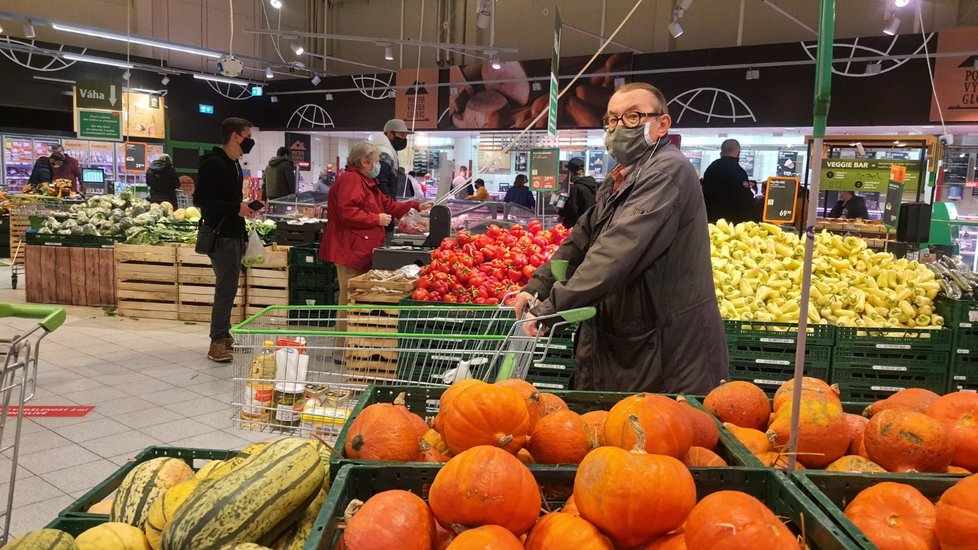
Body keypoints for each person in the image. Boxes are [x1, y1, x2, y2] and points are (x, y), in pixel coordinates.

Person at [514, 82, 727, 394]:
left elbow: (616, 251)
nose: (617, 128)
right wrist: (537, 287)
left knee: (653, 435)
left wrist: (550, 308)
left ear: (662, 124)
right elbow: (582, 238)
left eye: (631, 118)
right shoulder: (622, 176)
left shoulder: (667, 171)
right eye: (611, 120)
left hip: (664, 349)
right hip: (631, 339)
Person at [319, 142, 431, 341]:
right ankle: (342, 347)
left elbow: (388, 204)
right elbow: (347, 212)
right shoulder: (351, 181)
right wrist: (376, 219)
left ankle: (354, 344)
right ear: (365, 162)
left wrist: (417, 205)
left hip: (360, 248)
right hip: (349, 250)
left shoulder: (366, 182)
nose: (379, 165)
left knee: (356, 298)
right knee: (350, 298)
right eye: (377, 161)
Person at [193, 117, 261, 363]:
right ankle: (217, 342)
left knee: (230, 287)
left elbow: (232, 203)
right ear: (235, 136)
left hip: (233, 233)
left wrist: (243, 224)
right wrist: (236, 209)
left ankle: (225, 336)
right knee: (225, 288)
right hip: (220, 235)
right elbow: (201, 200)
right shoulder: (214, 164)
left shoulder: (233, 165)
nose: (250, 141)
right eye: (247, 135)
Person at [701, 139, 758, 223]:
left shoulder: (711, 168)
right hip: (731, 222)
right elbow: (744, 200)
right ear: (739, 153)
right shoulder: (737, 171)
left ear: (721, 152)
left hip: (709, 220)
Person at [560, 157, 598, 228]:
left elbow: (571, 210)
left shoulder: (576, 188)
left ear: (571, 172)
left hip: (576, 226)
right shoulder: (592, 185)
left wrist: (562, 213)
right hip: (589, 224)